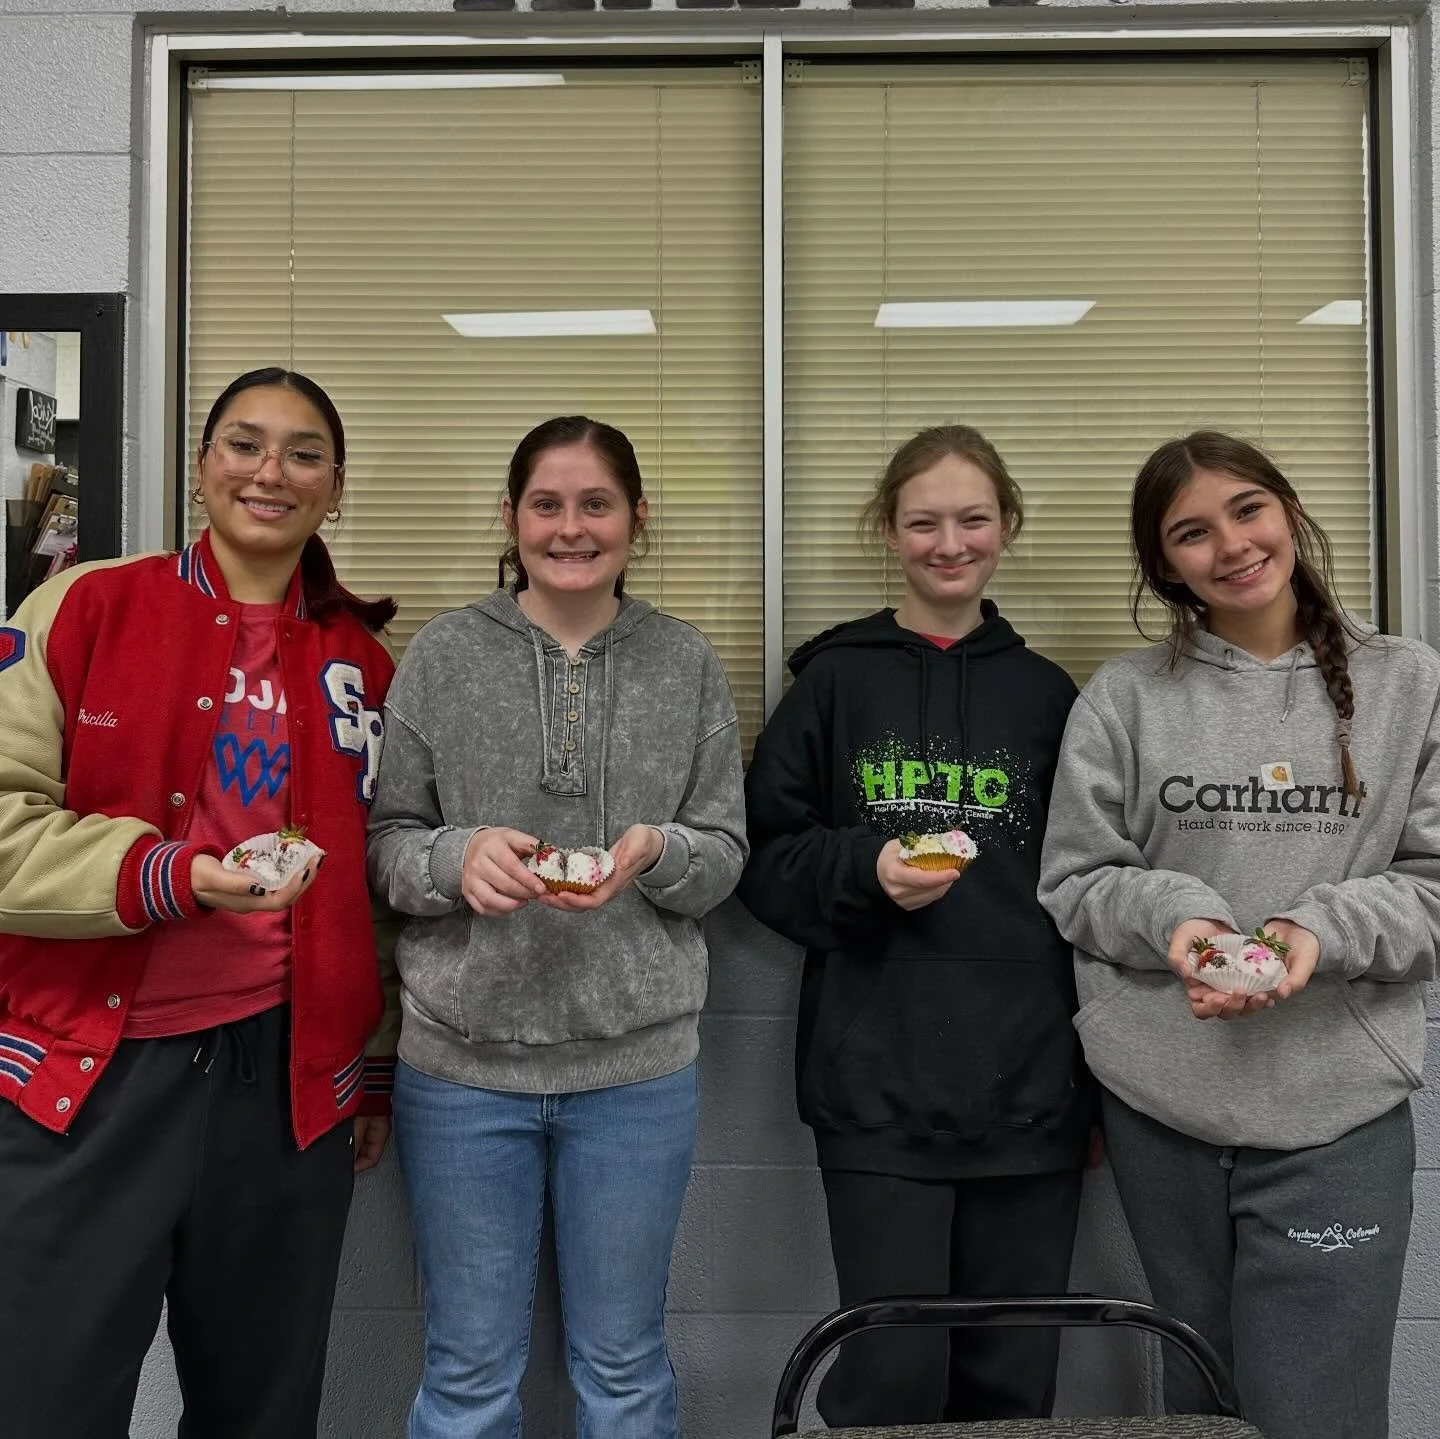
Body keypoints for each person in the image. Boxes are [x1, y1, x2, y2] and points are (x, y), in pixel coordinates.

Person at [0, 366, 400, 1439]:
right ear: (202, 463)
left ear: (336, 484)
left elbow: (376, 887)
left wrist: (368, 1070)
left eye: (304, 452)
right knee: (45, 1396)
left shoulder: (360, 662)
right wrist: (169, 872)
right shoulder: (86, 604)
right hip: (90, 1078)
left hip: (286, 1087)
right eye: (244, 443)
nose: (272, 471)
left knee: (261, 1410)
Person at [1038, 430, 1439, 1439]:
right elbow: (1077, 880)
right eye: (1191, 531)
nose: (1231, 544)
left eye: (1248, 508)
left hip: (1336, 1104)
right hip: (1163, 1104)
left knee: (1320, 1410)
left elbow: (1433, 885)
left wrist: (1315, 930)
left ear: (1291, 512)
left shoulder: (1410, 684)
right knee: (1200, 1402)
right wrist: (1187, 921)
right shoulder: (1124, 697)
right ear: (1164, 564)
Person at [366, 414, 747, 1439]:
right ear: (510, 516)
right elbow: (387, 844)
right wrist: (457, 858)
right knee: (467, 1370)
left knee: (622, 1366)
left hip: (637, 1072)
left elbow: (724, 853)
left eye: (596, 504)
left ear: (636, 519)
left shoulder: (687, 661)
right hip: (459, 1071)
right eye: (547, 503)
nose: (570, 527)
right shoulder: (444, 655)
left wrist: (657, 853)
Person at [738, 425, 1093, 1427]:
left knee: (1013, 1387)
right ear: (888, 532)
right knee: (890, 1381)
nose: (950, 542)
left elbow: (1092, 887)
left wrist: (1097, 1092)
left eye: (972, 518)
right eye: (924, 521)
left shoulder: (1051, 697)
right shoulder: (833, 685)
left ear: (1007, 527)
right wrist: (865, 869)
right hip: (875, 1088)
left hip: (1033, 1091)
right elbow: (760, 853)